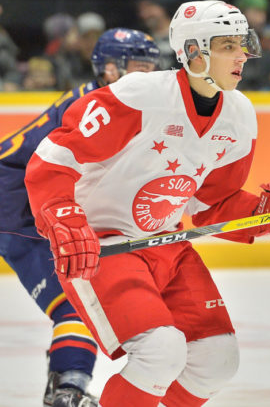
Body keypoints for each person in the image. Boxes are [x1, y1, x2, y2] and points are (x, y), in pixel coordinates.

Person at [24, 0, 270, 406]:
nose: (241, 55)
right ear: (193, 52)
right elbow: (53, 159)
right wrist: (62, 216)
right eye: (227, 46)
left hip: (168, 245)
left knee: (218, 361)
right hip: (106, 247)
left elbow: (215, 203)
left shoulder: (239, 116)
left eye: (242, 44)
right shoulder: (138, 96)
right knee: (160, 352)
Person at [0, 28, 160, 407]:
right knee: (77, 301)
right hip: (17, 204)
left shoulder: (114, 100)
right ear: (107, 68)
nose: (147, 76)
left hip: (31, 200)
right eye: (137, 67)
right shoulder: (97, 105)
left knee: (83, 298)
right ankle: (67, 390)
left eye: (151, 68)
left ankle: (65, 386)